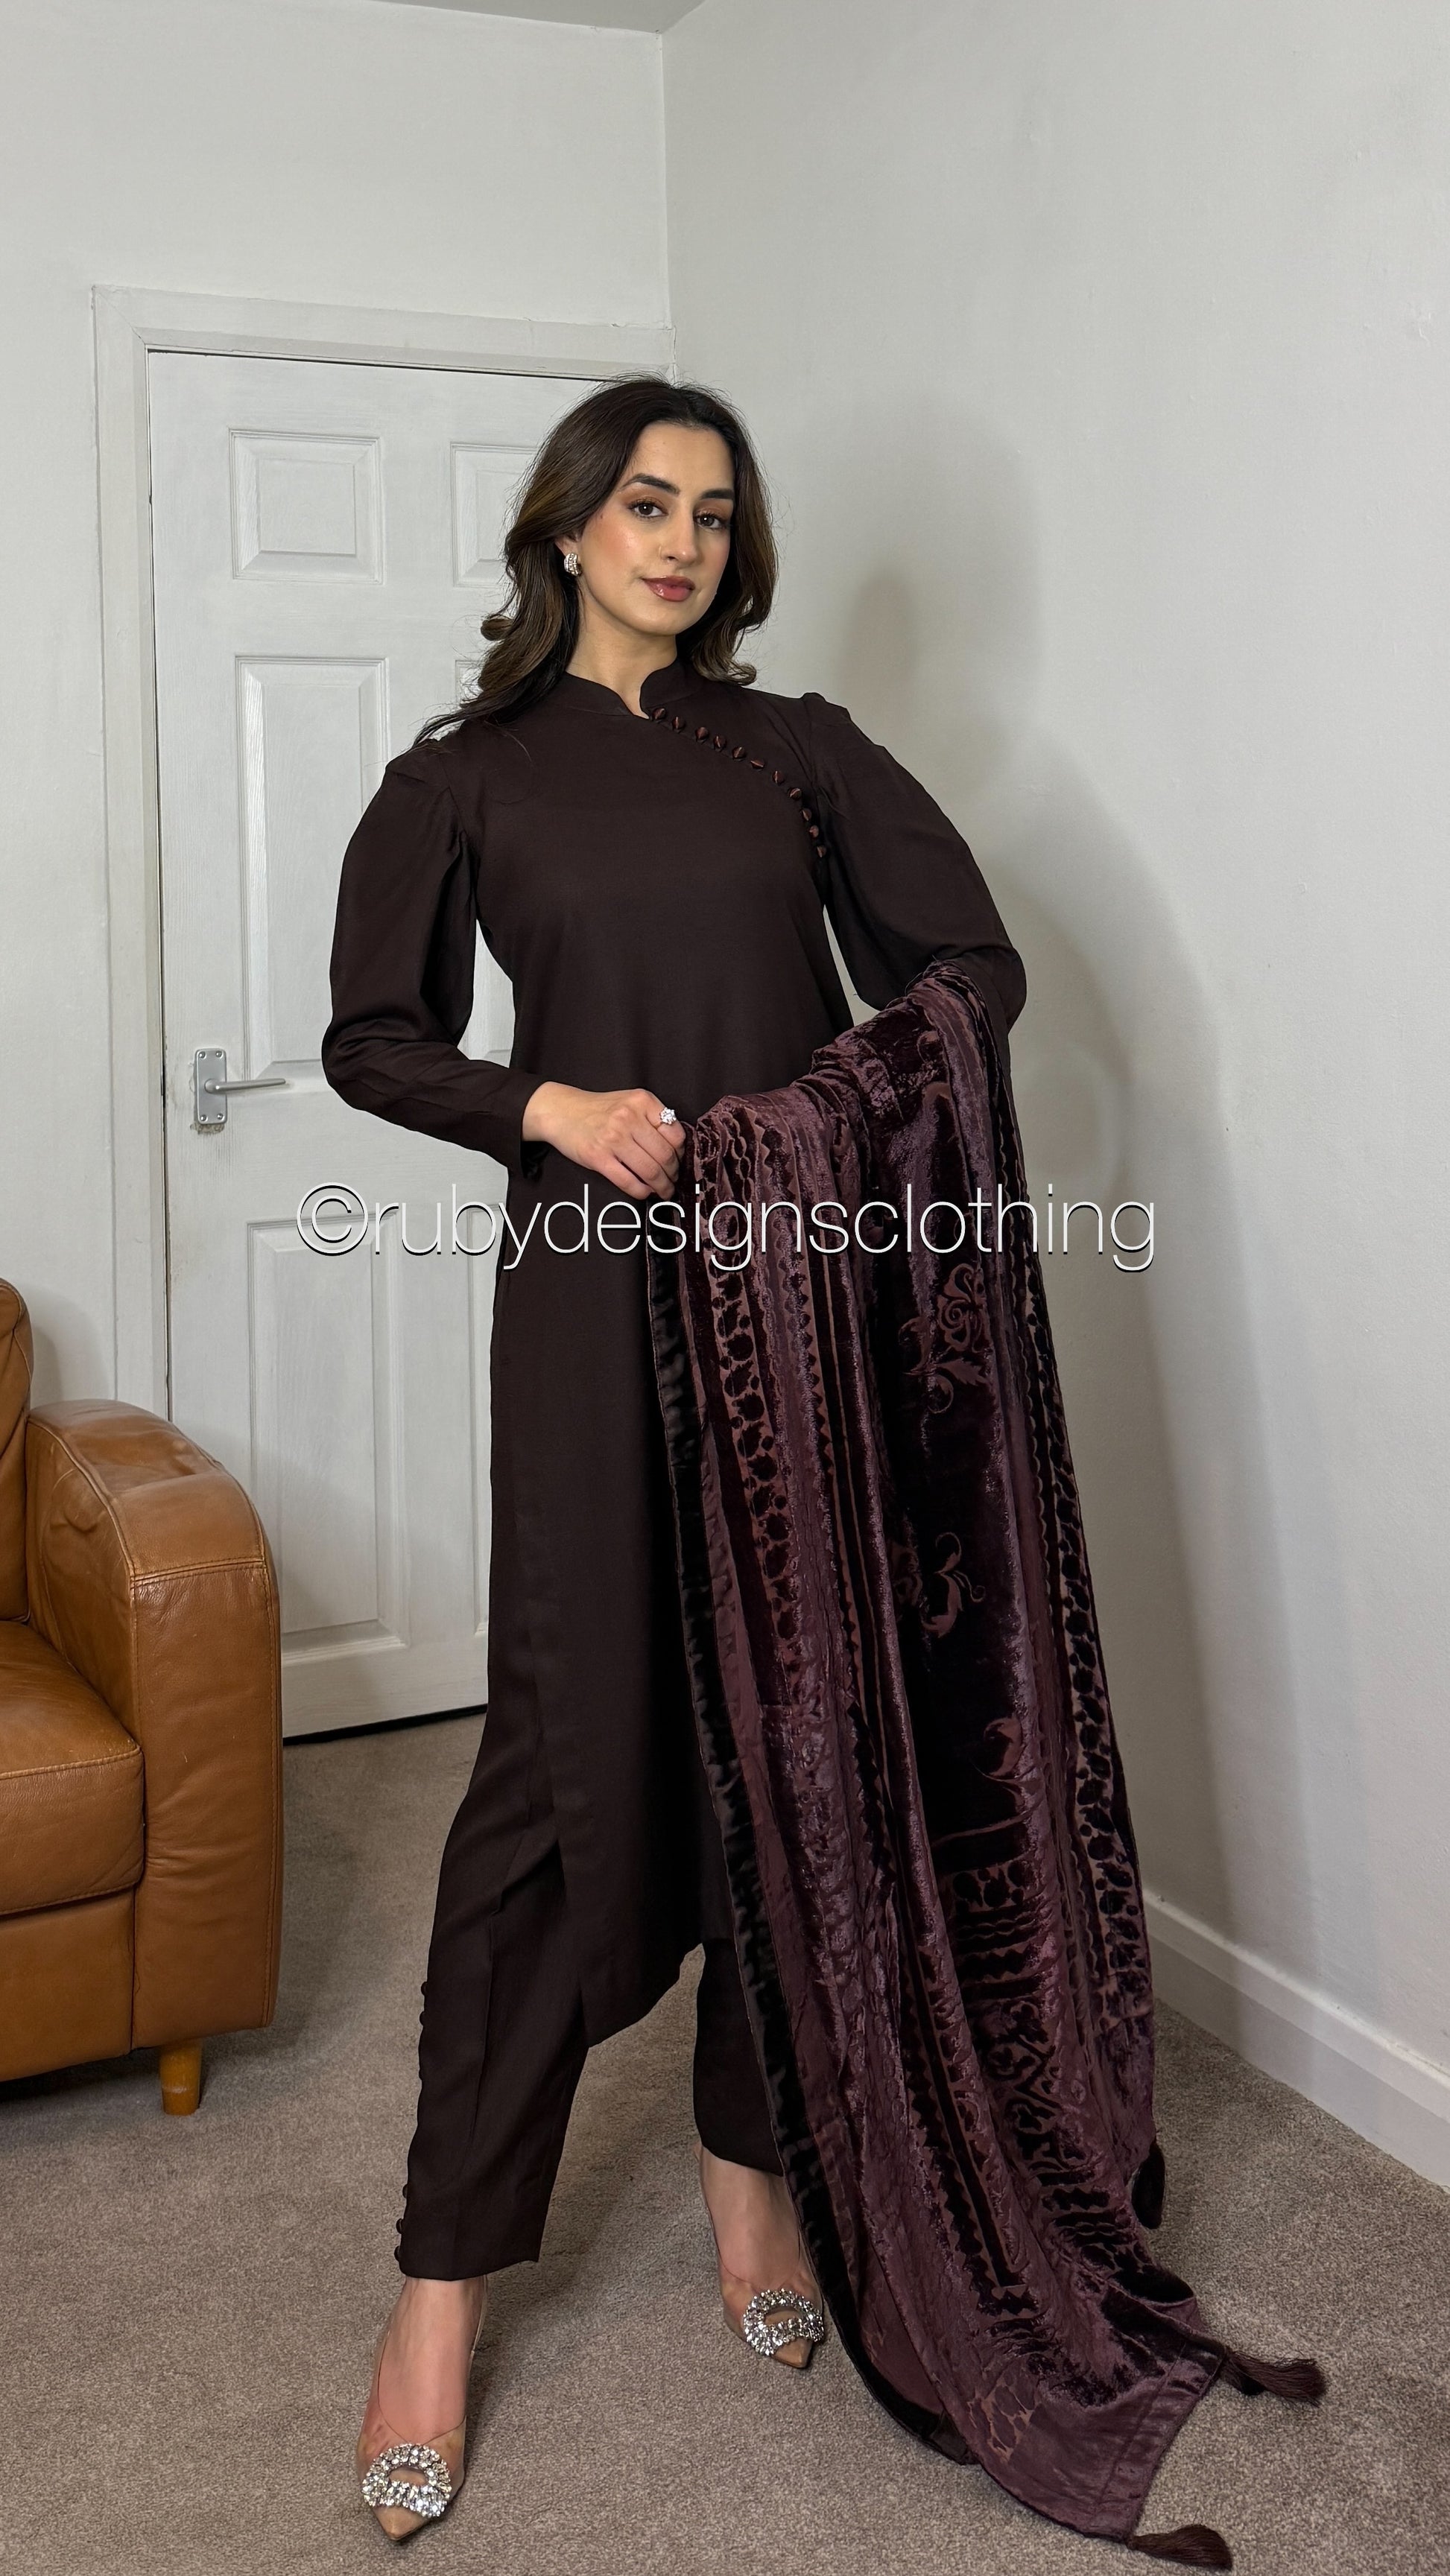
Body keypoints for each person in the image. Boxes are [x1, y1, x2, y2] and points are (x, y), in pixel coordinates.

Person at [321, 375, 1027, 2539]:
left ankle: (750, 2178)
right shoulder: (458, 778)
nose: (681, 540)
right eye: (646, 502)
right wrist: (541, 1107)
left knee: (784, 1733)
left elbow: (968, 974)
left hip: (800, 1294)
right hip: (587, 1298)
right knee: (558, 1762)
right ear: (566, 528)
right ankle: (438, 2292)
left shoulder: (794, 749)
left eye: (715, 512)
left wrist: (816, 1121)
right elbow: (370, 1038)